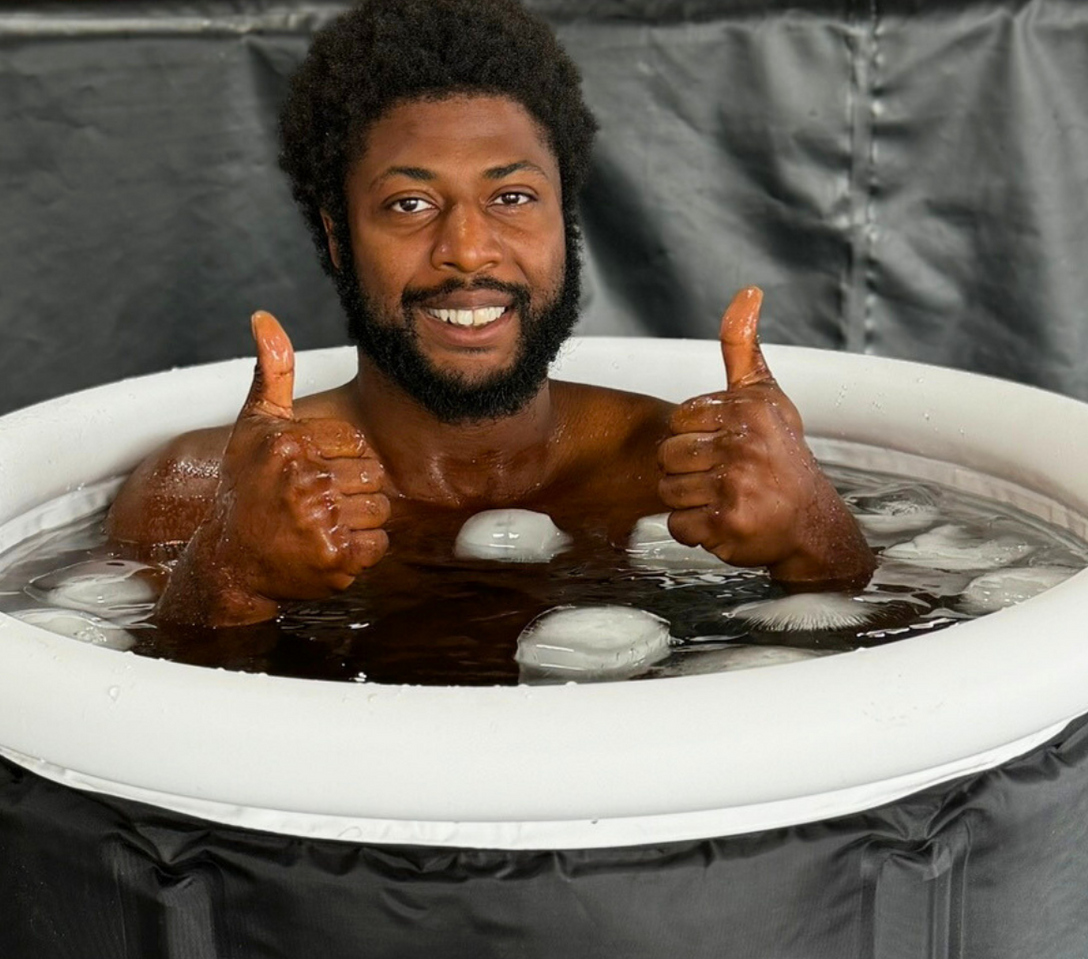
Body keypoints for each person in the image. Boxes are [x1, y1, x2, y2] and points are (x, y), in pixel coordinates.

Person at [106, 0, 874, 634]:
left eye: (512, 198)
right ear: (339, 238)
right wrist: (229, 577)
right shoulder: (207, 489)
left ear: (562, 222)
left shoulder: (683, 468)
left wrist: (819, 537)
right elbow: (128, 755)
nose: (468, 252)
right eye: (410, 204)